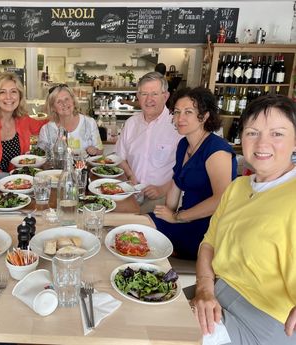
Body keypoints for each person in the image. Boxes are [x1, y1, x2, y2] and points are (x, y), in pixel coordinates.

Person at [192, 94, 296, 344]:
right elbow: (209, 243)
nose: (262, 143)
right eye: (252, 132)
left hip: (265, 319)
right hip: (217, 292)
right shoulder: (238, 187)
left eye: (277, 134)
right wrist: (204, 288)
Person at [145, 87, 237, 259]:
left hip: (205, 229)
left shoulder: (216, 150)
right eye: (177, 112)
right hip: (184, 217)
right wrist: (167, 212)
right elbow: (176, 182)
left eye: (188, 112)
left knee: (142, 238)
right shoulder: (183, 144)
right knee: (136, 225)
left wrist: (176, 217)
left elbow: (221, 200)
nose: (180, 118)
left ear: (205, 116)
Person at [116, 71, 182, 214]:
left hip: (162, 198)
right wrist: (129, 175)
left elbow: (186, 169)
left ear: (166, 96)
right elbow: (120, 157)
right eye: (144, 94)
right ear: (138, 97)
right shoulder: (131, 123)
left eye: (154, 94)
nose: (149, 99)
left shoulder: (177, 125)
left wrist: (162, 189)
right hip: (130, 193)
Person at [37, 84, 103, 156]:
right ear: (53, 108)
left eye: (67, 99)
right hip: (57, 167)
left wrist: (95, 151)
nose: (64, 104)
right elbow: (40, 156)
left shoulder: (89, 123)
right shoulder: (46, 130)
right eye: (59, 101)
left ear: (73, 101)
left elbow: (100, 151)